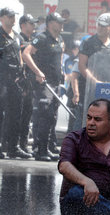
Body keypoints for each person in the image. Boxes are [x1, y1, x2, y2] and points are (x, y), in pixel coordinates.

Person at [22, 12, 65, 161]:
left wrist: (62, 73)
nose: (61, 25)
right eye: (59, 22)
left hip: (56, 83)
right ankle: (39, 150)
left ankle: (45, 148)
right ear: (50, 23)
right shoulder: (41, 38)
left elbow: (60, 57)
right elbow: (26, 54)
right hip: (44, 83)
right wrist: (38, 72)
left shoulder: (59, 39)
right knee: (44, 114)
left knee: (52, 117)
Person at [0, 8, 33, 159]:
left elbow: (20, 56)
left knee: (15, 116)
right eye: (9, 16)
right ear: (2, 18)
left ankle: (13, 147)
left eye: (14, 16)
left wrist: (22, 74)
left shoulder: (17, 36)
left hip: (15, 81)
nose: (13, 19)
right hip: (2, 80)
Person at [18, 13, 39, 154]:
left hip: (31, 84)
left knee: (27, 116)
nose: (34, 26)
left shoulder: (32, 40)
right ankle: (13, 144)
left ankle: (23, 144)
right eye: (31, 23)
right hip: (21, 84)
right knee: (17, 116)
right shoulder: (18, 39)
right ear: (24, 25)